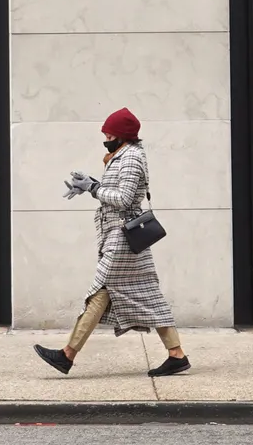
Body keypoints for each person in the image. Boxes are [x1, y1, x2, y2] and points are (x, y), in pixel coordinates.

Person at [34, 108, 190, 378]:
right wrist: (91, 183)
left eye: (110, 132)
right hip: (122, 237)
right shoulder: (122, 155)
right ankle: (176, 355)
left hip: (123, 237)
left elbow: (124, 199)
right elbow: (117, 192)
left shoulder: (130, 158)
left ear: (123, 135)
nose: (106, 136)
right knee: (149, 295)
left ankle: (67, 355)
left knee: (99, 291)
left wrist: (92, 189)